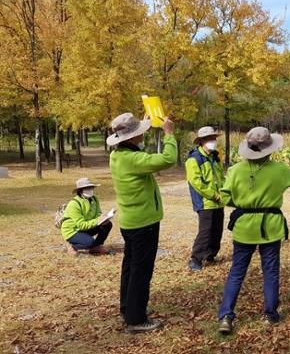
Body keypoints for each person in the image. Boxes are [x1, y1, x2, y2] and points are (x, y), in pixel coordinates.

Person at [217, 127, 290, 335]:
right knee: (270, 271)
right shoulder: (279, 169)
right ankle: (270, 314)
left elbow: (225, 197)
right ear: (270, 148)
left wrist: (244, 204)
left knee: (236, 271)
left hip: (244, 226)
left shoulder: (235, 170)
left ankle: (226, 315)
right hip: (270, 227)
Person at [107, 112, 176, 333]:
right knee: (141, 271)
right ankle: (136, 319)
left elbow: (141, 157)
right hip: (143, 223)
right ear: (130, 137)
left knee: (130, 267)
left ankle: (128, 308)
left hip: (130, 222)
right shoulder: (132, 159)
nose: (142, 134)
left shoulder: (118, 155)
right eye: (139, 132)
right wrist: (169, 134)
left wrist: (144, 123)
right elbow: (168, 160)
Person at [185, 126, 225, 271]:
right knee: (205, 231)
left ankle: (211, 255)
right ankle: (195, 259)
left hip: (219, 201)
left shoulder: (215, 156)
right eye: (209, 139)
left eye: (214, 138)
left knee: (217, 229)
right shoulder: (194, 158)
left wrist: (224, 192)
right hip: (205, 202)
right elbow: (196, 183)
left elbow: (220, 177)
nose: (213, 141)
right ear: (201, 141)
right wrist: (213, 195)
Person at [61, 177, 112, 256]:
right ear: (80, 190)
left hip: (87, 226)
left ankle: (96, 246)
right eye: (87, 188)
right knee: (90, 242)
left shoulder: (94, 199)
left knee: (107, 224)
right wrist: (97, 221)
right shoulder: (74, 204)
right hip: (73, 231)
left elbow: (98, 213)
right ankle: (73, 246)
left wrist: (104, 218)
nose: (90, 190)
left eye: (91, 187)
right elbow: (81, 225)